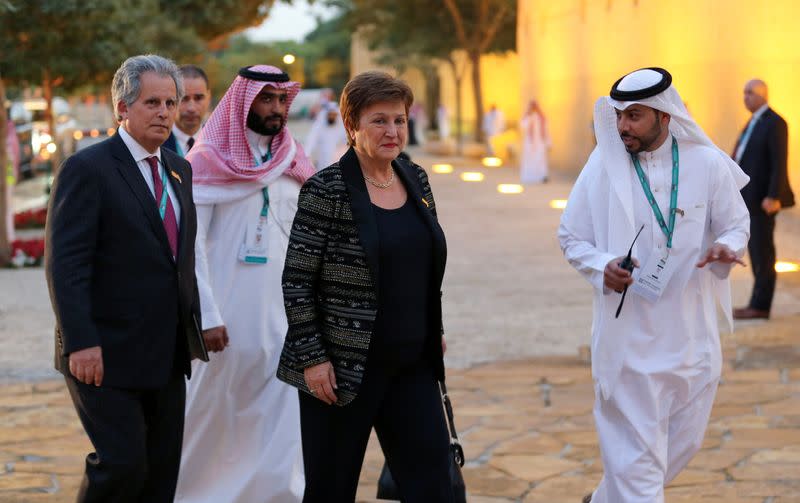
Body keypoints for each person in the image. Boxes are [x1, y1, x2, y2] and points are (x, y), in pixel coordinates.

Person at [558, 67, 750, 503]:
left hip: (692, 336)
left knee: (680, 445)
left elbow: (736, 222)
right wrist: (602, 264)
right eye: (619, 116)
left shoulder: (706, 162)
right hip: (629, 339)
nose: (623, 126)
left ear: (665, 117)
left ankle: (606, 498)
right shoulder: (603, 166)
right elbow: (571, 235)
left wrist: (726, 245)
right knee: (640, 463)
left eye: (635, 116)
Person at [277, 71, 454, 502]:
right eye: (379, 120)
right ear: (352, 124)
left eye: (399, 119)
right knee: (331, 490)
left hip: (413, 364)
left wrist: (435, 329)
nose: (392, 131)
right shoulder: (326, 189)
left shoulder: (416, 179)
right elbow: (297, 280)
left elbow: (424, 263)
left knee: (435, 487)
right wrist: (314, 359)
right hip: (341, 370)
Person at [45, 54, 206, 503]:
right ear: (122, 107)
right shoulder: (89, 169)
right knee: (121, 465)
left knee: (160, 474)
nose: (165, 112)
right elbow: (66, 264)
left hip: (167, 353)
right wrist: (79, 341)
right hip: (104, 353)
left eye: (170, 103)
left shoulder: (179, 168)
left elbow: (180, 257)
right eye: (152, 102)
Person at [173, 65, 314, 503]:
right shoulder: (206, 160)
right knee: (215, 411)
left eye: (279, 99)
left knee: (283, 412)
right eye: (264, 98)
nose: (274, 108)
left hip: (284, 317)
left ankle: (277, 495)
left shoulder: (294, 158)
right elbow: (190, 249)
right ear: (243, 101)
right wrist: (207, 315)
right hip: (227, 319)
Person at [732, 79, 794, 320]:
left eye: (750, 93)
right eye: (744, 92)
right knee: (756, 251)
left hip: (763, 201)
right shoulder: (753, 122)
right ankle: (756, 302)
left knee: (763, 253)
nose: (745, 97)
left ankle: (760, 305)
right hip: (749, 198)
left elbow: (779, 162)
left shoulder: (775, 123)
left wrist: (773, 195)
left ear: (763, 95)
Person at [163, 65, 211, 158]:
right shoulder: (156, 144)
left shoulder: (219, 143)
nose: (191, 108)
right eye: (184, 98)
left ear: (208, 97)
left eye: (198, 98)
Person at [303, 101, 348, 170]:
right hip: (323, 163)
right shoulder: (319, 127)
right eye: (330, 115)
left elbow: (347, 142)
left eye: (334, 115)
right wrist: (306, 156)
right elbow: (311, 142)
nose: (332, 117)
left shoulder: (341, 128)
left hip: (338, 163)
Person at [519, 100, 551, 184]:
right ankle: (529, 177)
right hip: (529, 143)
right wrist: (528, 115)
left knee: (540, 159)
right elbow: (523, 126)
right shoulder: (528, 116)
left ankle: (542, 176)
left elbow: (546, 130)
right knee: (530, 160)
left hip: (540, 142)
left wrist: (548, 142)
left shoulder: (541, 117)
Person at [4, 117, 19, 242]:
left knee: (7, 209)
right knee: (8, 210)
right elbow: (16, 155)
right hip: (8, 178)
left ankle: (10, 237)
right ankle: (10, 237)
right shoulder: (10, 133)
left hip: (7, 179)